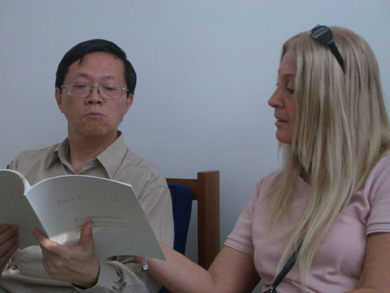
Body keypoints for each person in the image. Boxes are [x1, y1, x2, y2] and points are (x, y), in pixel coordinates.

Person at [132, 26, 390, 292]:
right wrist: (133, 238)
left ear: (337, 98)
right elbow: (217, 287)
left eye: (291, 88)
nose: (273, 99)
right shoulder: (271, 187)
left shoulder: (383, 176)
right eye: (277, 84)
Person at [0, 39, 174, 292]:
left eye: (109, 88)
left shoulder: (146, 181)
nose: (95, 98)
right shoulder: (22, 164)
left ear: (128, 102)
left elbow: (150, 278)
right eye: (80, 86)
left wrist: (93, 276)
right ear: (59, 98)